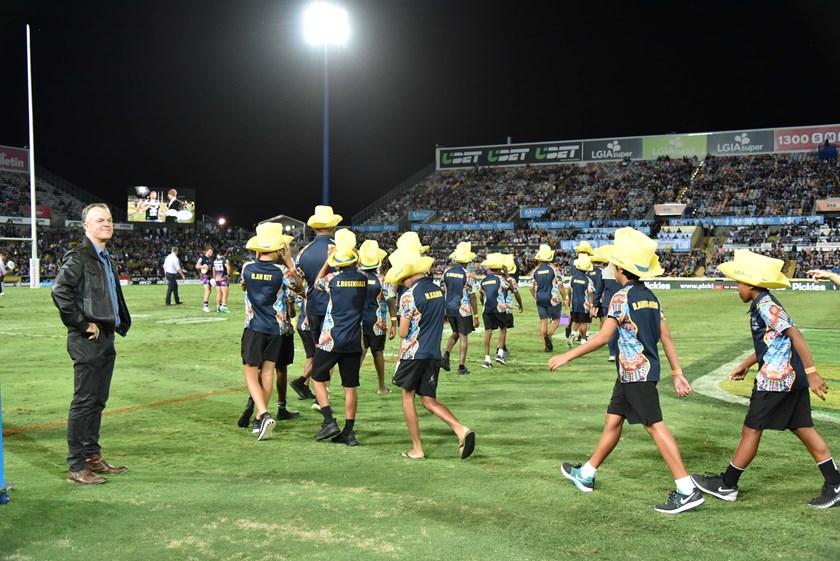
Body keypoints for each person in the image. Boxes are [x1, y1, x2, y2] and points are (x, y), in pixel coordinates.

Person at [548, 227, 703, 514]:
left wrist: (567, 355)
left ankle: (687, 489)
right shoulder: (652, 298)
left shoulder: (620, 298)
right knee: (613, 420)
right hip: (635, 373)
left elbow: (603, 337)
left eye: (612, 265)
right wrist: (677, 371)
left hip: (637, 374)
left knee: (654, 426)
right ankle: (587, 474)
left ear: (620, 269)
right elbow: (665, 336)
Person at [692, 250, 840, 509]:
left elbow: (796, 335)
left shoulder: (765, 305)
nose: (736, 289)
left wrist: (813, 372)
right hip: (789, 380)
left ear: (750, 284)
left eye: (738, 283)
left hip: (776, 381)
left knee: (752, 428)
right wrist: (745, 364)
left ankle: (728, 484)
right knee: (803, 427)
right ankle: (835, 484)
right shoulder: (762, 304)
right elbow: (771, 342)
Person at [51, 203, 132, 485]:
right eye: (100, 220)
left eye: (109, 220)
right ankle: (76, 466)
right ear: (86, 226)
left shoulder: (104, 257)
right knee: (84, 401)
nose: (107, 224)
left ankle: (92, 457)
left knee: (97, 401)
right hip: (87, 338)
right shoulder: (79, 256)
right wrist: (83, 324)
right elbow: (60, 291)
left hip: (106, 336)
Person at [385, 245, 475, 461]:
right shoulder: (436, 290)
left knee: (407, 396)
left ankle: (417, 448)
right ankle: (460, 429)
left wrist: (398, 322)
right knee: (428, 399)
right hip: (433, 353)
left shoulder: (408, 296)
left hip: (414, 353)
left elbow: (403, 332)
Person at [239, 223, 303, 440]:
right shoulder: (282, 271)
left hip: (254, 327)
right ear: (278, 249)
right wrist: (288, 261)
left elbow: (243, 286)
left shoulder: (247, 267)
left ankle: (264, 414)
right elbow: (300, 288)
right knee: (267, 373)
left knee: (250, 373)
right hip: (275, 329)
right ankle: (259, 420)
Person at [311, 229, 368, 446]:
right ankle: (349, 432)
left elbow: (317, 283)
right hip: (355, 340)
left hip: (332, 338)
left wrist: (327, 261)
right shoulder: (363, 279)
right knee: (350, 387)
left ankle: (328, 421)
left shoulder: (332, 279)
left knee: (317, 377)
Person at [358, 240, 397, 395]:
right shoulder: (382, 281)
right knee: (378, 353)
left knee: (360, 353)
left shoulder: (356, 277)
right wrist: (394, 323)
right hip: (377, 323)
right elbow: (391, 301)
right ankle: (382, 387)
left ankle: (350, 386)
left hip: (358, 323)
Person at [442, 241, 479, 375]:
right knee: (463, 336)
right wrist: (475, 316)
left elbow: (442, 290)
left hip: (449, 307)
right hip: (462, 309)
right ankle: (461, 367)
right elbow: (473, 296)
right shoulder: (468, 275)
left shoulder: (446, 272)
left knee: (456, 333)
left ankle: (446, 354)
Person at [530, 244, 567, 352]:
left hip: (540, 298)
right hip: (552, 298)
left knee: (543, 322)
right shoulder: (554, 269)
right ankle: (549, 336)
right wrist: (565, 298)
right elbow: (560, 285)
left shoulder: (535, 271)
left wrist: (535, 297)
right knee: (557, 319)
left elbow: (531, 287)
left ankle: (545, 346)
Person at [478, 253, 510, 369]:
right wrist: (506, 274)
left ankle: (487, 359)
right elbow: (510, 287)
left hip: (486, 309)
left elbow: (481, 295)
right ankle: (500, 353)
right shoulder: (501, 279)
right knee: (503, 328)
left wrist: (483, 305)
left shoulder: (483, 281)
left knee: (488, 332)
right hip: (499, 308)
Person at [566, 255, 595, 347]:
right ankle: (583, 340)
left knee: (576, 322)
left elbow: (569, 290)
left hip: (574, 304)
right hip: (584, 305)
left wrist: (569, 300)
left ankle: (573, 333)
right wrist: (591, 306)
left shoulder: (572, 278)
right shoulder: (588, 280)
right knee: (583, 323)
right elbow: (590, 293)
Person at [500, 254, 523, 359]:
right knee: (504, 329)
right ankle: (501, 348)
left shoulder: (498, 279)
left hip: (497, 307)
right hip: (507, 308)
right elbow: (516, 294)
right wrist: (521, 305)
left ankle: (502, 347)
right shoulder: (512, 281)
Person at [213, 247, 231, 313]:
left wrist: (214, 277)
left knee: (218, 294)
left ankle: (218, 307)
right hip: (223, 278)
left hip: (217, 279)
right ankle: (224, 307)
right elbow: (228, 268)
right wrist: (228, 275)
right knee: (225, 293)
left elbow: (214, 269)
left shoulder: (215, 260)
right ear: (225, 253)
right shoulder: (225, 260)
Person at [196, 246, 214, 312]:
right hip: (204, 276)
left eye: (212, 251)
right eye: (210, 251)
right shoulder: (202, 258)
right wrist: (203, 267)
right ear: (206, 251)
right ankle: (205, 306)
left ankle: (207, 306)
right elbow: (197, 266)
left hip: (210, 276)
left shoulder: (212, 259)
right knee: (207, 290)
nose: (211, 252)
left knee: (209, 290)